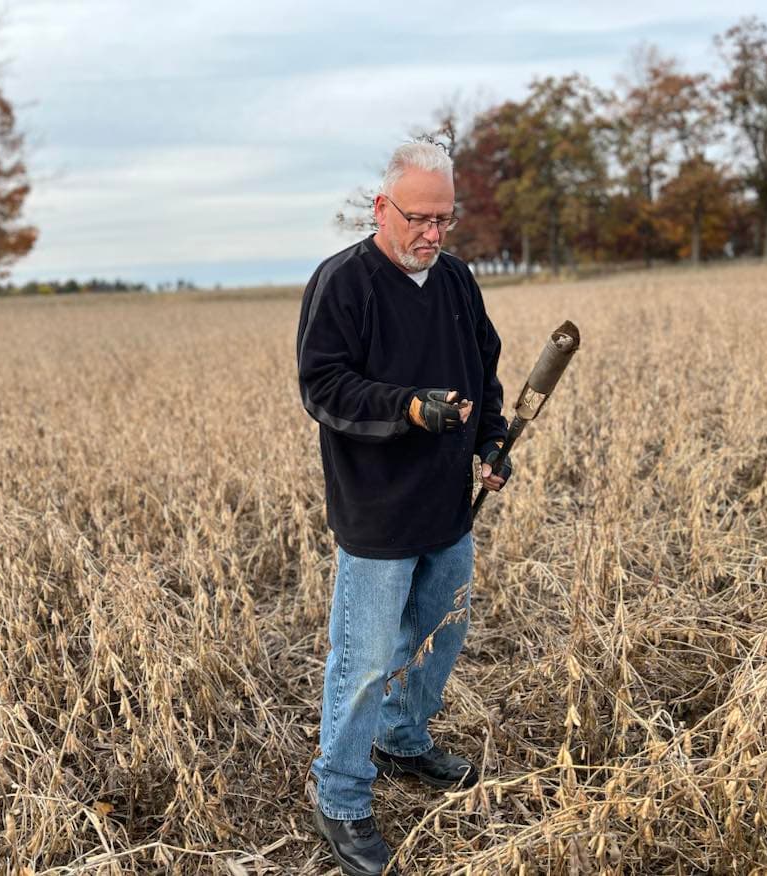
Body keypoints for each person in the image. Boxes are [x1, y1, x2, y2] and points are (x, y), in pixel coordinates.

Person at [296, 141, 511, 876]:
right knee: (361, 660)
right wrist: (409, 409)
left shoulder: (454, 280)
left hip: (447, 505)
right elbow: (322, 387)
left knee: (438, 637)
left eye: (444, 219)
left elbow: (484, 367)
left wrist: (492, 440)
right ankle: (343, 795)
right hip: (378, 512)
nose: (432, 233)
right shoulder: (344, 283)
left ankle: (402, 738)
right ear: (381, 209)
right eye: (418, 217)